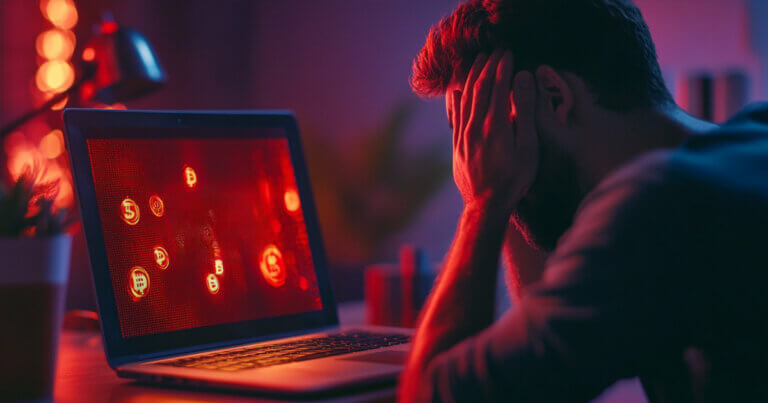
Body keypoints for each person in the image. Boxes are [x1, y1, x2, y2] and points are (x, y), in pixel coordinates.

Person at [398, 0, 768, 402]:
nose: (480, 150)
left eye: (487, 125)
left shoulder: (653, 209)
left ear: (555, 96)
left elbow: (430, 396)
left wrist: (485, 200)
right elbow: (542, 377)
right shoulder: (751, 138)